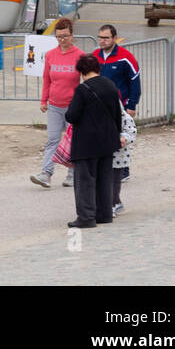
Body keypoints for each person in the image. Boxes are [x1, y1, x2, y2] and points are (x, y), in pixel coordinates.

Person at [64, 54, 123, 228]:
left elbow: (72, 116)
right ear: (98, 68)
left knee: (85, 180)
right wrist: (117, 135)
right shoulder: (111, 86)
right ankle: (104, 214)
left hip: (86, 143)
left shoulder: (83, 90)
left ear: (82, 71)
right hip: (108, 140)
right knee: (105, 178)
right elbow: (117, 114)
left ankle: (86, 217)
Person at [32, 17, 84, 189]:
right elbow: (47, 80)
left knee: (74, 141)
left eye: (65, 36)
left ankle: (72, 174)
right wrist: (43, 100)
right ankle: (46, 174)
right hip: (54, 105)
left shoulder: (79, 56)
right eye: (59, 36)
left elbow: (87, 80)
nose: (62, 40)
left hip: (73, 106)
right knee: (53, 140)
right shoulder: (51, 55)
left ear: (72, 35)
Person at [95, 23, 141, 186]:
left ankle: (124, 170)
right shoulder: (95, 56)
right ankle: (106, 168)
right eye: (100, 37)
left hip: (120, 108)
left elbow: (135, 81)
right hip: (100, 107)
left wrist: (132, 105)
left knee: (121, 138)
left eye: (105, 38)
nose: (102, 41)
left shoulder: (125, 57)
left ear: (114, 38)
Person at [111, 104, 136, 217]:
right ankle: (114, 202)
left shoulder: (125, 117)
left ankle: (114, 204)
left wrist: (124, 138)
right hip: (105, 155)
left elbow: (132, 132)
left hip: (120, 157)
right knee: (106, 181)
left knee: (115, 181)